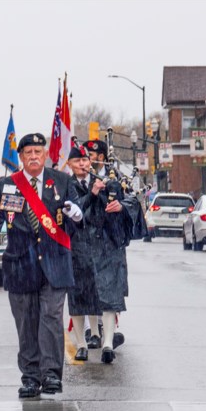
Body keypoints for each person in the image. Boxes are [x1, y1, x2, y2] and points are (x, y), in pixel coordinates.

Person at [0, 133, 85, 398]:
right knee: (26, 322)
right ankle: (30, 376)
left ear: (45, 154)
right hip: (20, 264)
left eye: (38, 151)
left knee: (50, 319)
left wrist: (76, 214)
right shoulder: (7, 186)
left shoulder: (61, 181)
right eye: (29, 153)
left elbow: (76, 217)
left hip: (54, 263)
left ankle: (51, 375)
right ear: (21, 157)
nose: (34, 156)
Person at [83, 139, 132, 363]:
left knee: (110, 292)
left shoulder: (118, 178)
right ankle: (93, 333)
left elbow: (134, 201)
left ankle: (108, 343)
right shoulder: (77, 180)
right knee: (90, 289)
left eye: (94, 154)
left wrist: (122, 206)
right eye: (86, 155)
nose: (91, 159)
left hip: (111, 242)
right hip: (86, 241)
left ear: (103, 157)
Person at [64, 145, 103, 360]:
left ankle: (96, 333)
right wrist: (92, 193)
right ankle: (81, 344)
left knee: (96, 292)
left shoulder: (98, 182)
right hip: (75, 247)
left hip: (96, 246)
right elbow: (77, 211)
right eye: (77, 161)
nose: (82, 164)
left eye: (85, 160)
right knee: (77, 296)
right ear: (70, 164)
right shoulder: (66, 185)